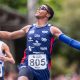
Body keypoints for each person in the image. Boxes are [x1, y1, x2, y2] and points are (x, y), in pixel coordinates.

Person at [0, 4, 80, 80]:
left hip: (43, 70)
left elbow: (71, 42)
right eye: (39, 7)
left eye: (42, 8)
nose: (38, 9)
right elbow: (10, 35)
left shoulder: (52, 29)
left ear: (48, 15)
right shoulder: (28, 28)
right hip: (27, 64)